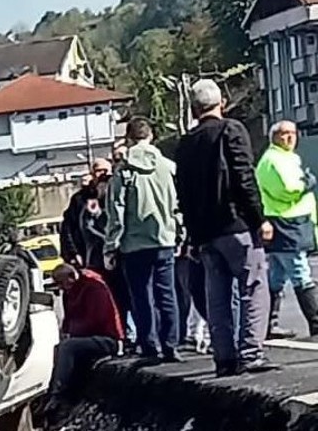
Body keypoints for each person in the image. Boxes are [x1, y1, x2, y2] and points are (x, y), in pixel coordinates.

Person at [173, 79, 278, 376]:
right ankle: (251, 352)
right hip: (235, 224)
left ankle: (224, 357)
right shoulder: (231, 130)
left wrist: (192, 235)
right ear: (222, 102)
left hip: (205, 232)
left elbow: (183, 193)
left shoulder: (185, 144)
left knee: (217, 295)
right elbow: (243, 177)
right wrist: (259, 218)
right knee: (253, 286)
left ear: (194, 109)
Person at [104, 118, 182, 363]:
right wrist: (179, 233)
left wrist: (111, 246)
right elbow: (177, 204)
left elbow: (116, 211)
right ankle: (171, 345)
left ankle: (149, 346)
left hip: (134, 244)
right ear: (151, 136)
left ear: (128, 138)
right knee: (167, 294)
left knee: (141, 296)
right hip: (164, 238)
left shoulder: (123, 171)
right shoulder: (167, 166)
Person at [256, 119, 318, 339]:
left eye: (293, 132)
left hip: (292, 222)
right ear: (274, 137)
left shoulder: (288, 158)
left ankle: (268, 325)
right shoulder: (272, 160)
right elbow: (287, 190)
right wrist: (307, 184)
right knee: (300, 273)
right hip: (284, 224)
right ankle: (315, 321)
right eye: (284, 133)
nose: (290, 137)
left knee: (276, 276)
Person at [49, 264, 124, 405]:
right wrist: (65, 332)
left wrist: (73, 333)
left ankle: (58, 393)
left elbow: (97, 320)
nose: (60, 287)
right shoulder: (70, 292)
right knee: (60, 346)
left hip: (108, 339)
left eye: (61, 283)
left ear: (72, 277)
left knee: (68, 346)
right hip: (87, 337)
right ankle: (57, 390)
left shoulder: (94, 288)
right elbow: (68, 319)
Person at [60, 158, 113, 270]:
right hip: (90, 257)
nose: (103, 175)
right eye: (99, 171)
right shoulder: (80, 199)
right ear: (92, 174)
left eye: (106, 171)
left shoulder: (118, 196)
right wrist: (73, 253)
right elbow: (68, 228)